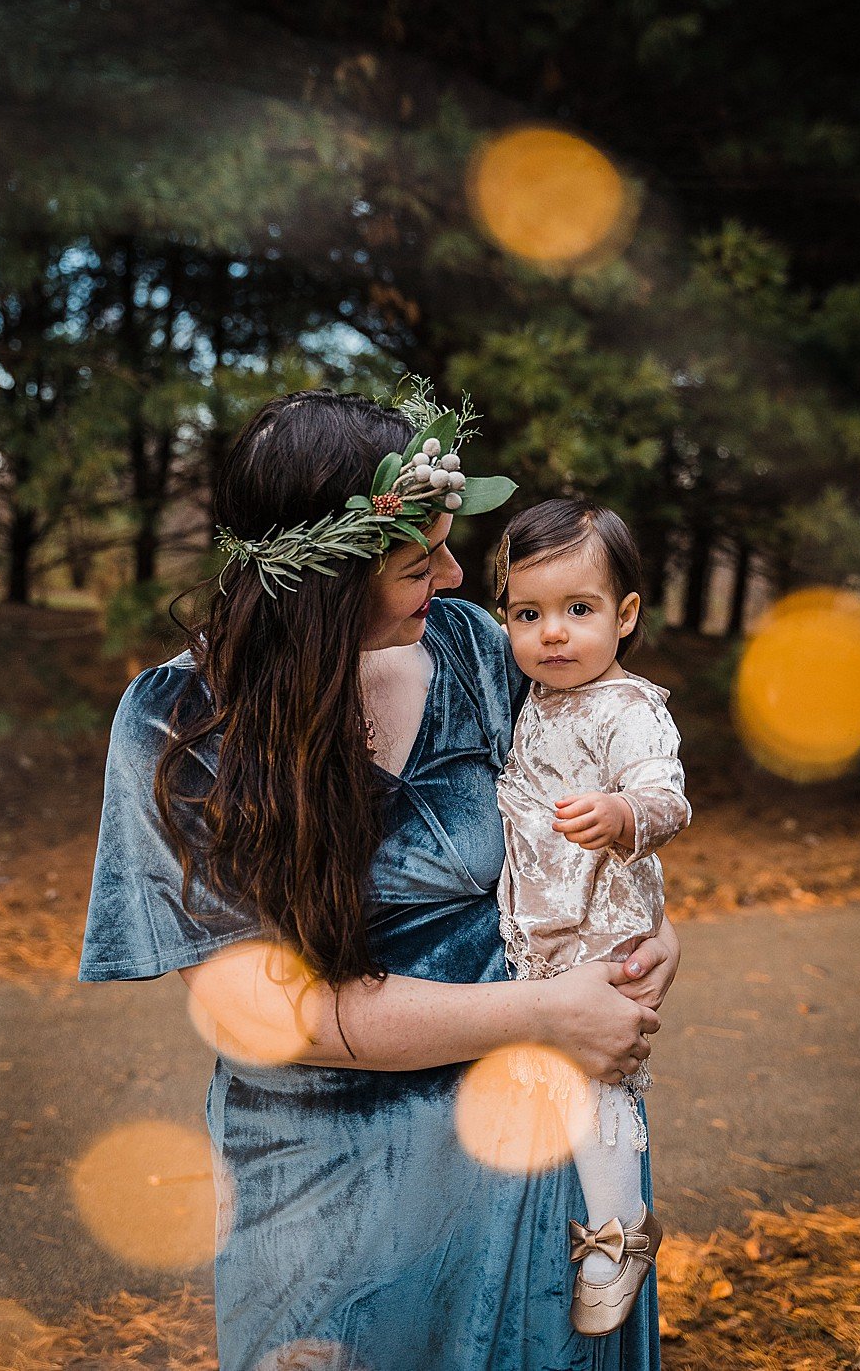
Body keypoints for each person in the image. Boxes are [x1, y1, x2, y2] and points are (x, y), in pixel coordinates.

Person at [78, 387, 681, 1371]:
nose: (453, 575)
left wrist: (644, 942)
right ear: (325, 585)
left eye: (448, 545)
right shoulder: (174, 723)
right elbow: (271, 1016)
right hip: (322, 1187)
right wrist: (547, 1015)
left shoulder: (482, 651)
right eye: (417, 560)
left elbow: (587, 827)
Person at [494, 500, 692, 1339]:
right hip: (542, 915)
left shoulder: (628, 708)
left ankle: (619, 1237)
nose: (554, 634)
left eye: (579, 611)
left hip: (603, 918)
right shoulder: (537, 695)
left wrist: (622, 813)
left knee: (596, 1084)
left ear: (626, 615)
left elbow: (667, 795)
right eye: (529, 614)